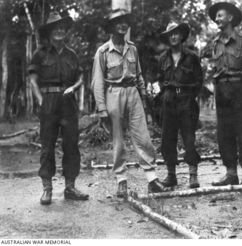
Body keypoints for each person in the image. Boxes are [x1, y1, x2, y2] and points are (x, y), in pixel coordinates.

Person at [91, 9, 169, 198]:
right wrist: (102, 109)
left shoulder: (132, 48)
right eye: (118, 22)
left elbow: (139, 75)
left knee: (143, 137)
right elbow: (97, 82)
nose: (123, 25)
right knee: (118, 140)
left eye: (125, 22)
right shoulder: (102, 52)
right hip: (113, 94)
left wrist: (143, 97)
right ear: (111, 27)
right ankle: (121, 181)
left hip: (133, 93)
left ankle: (152, 179)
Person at [28, 12, 89, 205]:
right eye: (56, 28)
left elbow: (80, 76)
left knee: (71, 144)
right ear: (50, 31)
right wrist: (40, 101)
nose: (60, 30)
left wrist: (75, 87)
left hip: (68, 102)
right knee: (47, 146)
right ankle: (47, 189)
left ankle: (70, 188)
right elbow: (33, 80)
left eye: (62, 27)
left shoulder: (72, 54)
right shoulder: (40, 54)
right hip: (49, 101)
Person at [205, 2, 242, 185]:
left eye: (220, 16)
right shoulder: (215, 42)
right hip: (221, 90)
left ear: (230, 17)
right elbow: (215, 67)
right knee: (224, 132)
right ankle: (231, 173)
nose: (217, 19)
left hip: (239, 89)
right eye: (216, 17)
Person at [158, 21, 203, 188]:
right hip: (168, 102)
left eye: (176, 33)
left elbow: (199, 82)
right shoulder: (162, 59)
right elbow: (160, 80)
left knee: (189, 139)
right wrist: (164, 95)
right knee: (167, 139)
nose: (174, 36)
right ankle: (171, 175)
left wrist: (188, 97)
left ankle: (193, 175)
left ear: (182, 36)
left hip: (186, 102)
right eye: (170, 34)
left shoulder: (192, 57)